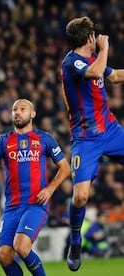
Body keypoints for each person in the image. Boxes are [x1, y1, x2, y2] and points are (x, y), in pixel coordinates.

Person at [61, 16, 124, 271]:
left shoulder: (92, 61)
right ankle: (75, 241)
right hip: (85, 139)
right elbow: (97, 72)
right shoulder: (71, 61)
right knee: (80, 197)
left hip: (110, 131)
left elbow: (115, 76)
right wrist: (106, 48)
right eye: (95, 36)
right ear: (90, 38)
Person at [0, 99, 70, 276]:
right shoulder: (2, 141)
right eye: (14, 109)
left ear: (33, 114)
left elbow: (65, 168)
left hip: (35, 203)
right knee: (3, 255)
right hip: (12, 206)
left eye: (22, 109)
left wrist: (50, 189)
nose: (17, 112)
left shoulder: (45, 139)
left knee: (21, 246)